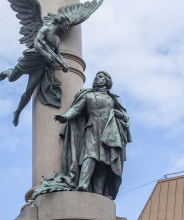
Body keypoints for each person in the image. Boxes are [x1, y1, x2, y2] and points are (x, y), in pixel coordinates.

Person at [54, 71, 131, 199]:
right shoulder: (88, 96)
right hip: (92, 128)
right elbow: (76, 109)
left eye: (100, 77)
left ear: (107, 81)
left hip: (109, 130)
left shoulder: (113, 99)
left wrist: (120, 115)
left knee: (104, 162)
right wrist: (65, 117)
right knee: (90, 155)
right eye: (96, 77)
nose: (97, 78)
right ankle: (83, 184)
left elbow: (125, 117)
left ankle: (99, 192)